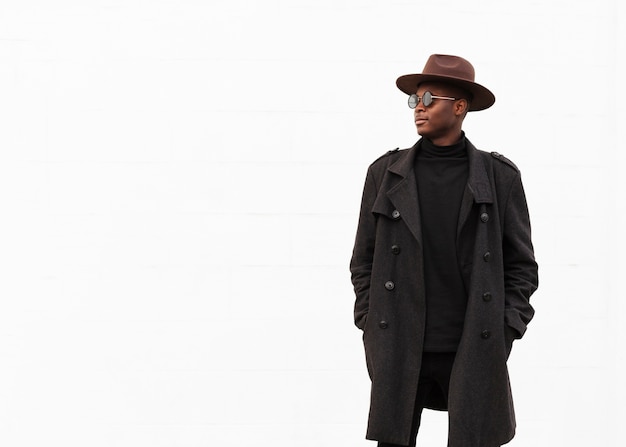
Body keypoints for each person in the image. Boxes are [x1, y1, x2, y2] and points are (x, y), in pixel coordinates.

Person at [349, 54, 539, 447]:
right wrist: (370, 320)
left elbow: (522, 266)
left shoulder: (498, 177)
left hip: (474, 342)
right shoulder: (384, 174)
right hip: (400, 342)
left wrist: (506, 327)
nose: (419, 107)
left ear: (459, 106)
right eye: (414, 99)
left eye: (430, 98)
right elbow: (364, 259)